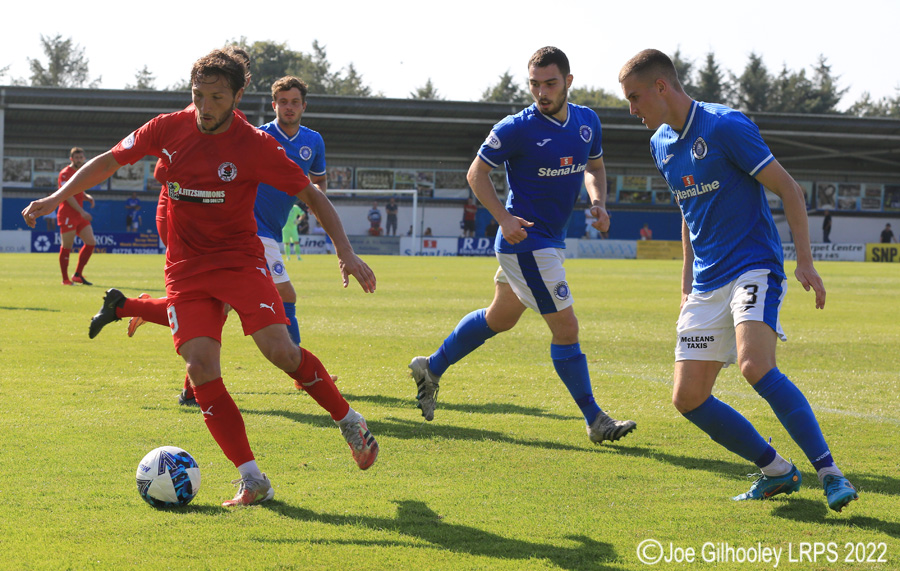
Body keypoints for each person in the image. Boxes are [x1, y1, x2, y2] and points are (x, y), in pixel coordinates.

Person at [23, 48, 379, 507]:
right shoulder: (168, 127)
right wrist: (57, 198)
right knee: (200, 367)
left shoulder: (255, 145)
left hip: (239, 261)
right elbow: (109, 161)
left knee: (280, 351)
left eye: (216, 97)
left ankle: (350, 421)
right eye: (198, 96)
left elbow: (312, 194)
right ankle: (253, 479)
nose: (205, 107)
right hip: (186, 269)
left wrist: (346, 252)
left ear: (236, 97)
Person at [618, 48, 857, 512]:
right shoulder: (660, 144)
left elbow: (788, 188)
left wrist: (803, 261)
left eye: (634, 97)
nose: (631, 110)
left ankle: (830, 473)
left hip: (752, 266)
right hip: (707, 281)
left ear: (661, 88)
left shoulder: (724, 126)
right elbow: (688, 212)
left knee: (755, 366)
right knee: (687, 398)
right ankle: (777, 471)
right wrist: (686, 278)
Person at [408, 46, 636, 444]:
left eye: (550, 83)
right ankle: (595, 419)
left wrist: (598, 203)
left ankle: (431, 366)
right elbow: (476, 173)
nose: (541, 92)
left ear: (568, 81)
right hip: (527, 242)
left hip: (549, 241)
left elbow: (595, 168)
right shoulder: (516, 126)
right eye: (534, 84)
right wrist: (504, 218)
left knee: (500, 317)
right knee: (566, 328)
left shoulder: (587, 121)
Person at [56, 147, 97, 285]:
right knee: (67, 246)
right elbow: (67, 195)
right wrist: (82, 211)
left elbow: (78, 192)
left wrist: (87, 197)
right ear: (71, 159)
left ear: (84, 158)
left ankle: (77, 274)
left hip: (79, 215)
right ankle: (65, 279)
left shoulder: (81, 172)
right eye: (76, 157)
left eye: (81, 157)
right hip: (68, 215)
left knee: (91, 242)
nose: (79, 160)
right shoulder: (65, 173)